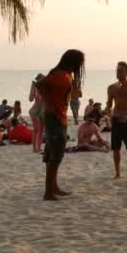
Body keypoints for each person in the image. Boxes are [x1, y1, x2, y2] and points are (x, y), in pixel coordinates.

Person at [36, 49, 85, 200]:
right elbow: (40, 84)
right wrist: (48, 101)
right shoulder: (59, 75)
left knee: (54, 152)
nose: (82, 65)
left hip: (59, 116)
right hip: (55, 117)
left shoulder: (65, 75)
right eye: (80, 62)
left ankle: (53, 187)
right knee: (55, 154)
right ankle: (48, 192)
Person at [29, 74, 45, 153]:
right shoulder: (35, 88)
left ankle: (38, 147)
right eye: (40, 79)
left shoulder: (46, 88)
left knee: (41, 130)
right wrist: (32, 89)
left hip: (43, 111)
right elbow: (30, 99)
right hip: (35, 110)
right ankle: (34, 148)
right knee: (36, 129)